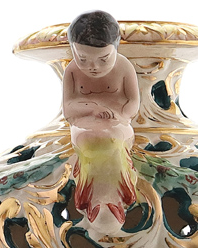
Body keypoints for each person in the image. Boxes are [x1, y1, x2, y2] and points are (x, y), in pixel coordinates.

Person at [63, 11, 140, 228]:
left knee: (113, 139)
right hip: (84, 125)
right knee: (90, 140)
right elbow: (68, 108)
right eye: (83, 58)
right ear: (73, 50)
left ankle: (115, 198)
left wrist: (120, 116)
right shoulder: (72, 71)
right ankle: (93, 199)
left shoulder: (124, 67)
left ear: (116, 47)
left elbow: (133, 102)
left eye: (103, 59)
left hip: (117, 123)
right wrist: (93, 108)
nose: (93, 66)